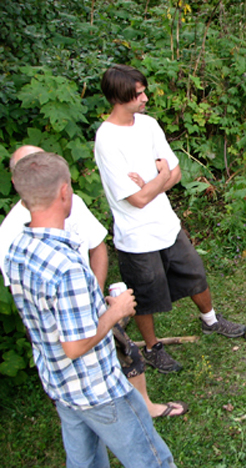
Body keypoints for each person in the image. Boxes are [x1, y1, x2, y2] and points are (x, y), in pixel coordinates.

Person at [5, 151, 175, 467]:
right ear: (64, 192)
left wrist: (95, 306)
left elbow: (52, 320)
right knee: (153, 460)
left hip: (59, 383)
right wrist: (116, 312)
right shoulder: (66, 265)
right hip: (97, 388)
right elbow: (75, 345)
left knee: (84, 463)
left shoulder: (17, 248)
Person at [94, 64, 246, 374]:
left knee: (194, 272)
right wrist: (159, 176)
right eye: (138, 94)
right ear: (119, 98)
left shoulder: (148, 125)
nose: (146, 98)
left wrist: (155, 180)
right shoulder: (107, 140)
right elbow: (136, 200)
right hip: (135, 234)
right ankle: (152, 348)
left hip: (166, 221)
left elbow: (174, 172)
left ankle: (211, 321)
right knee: (144, 293)